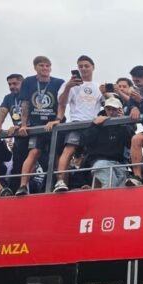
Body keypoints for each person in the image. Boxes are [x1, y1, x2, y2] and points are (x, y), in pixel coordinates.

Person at [51, 55, 104, 192]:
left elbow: (109, 105)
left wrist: (107, 93)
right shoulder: (70, 85)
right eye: (80, 66)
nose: (83, 68)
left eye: (86, 66)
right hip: (76, 122)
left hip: (94, 124)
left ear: (93, 67)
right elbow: (62, 102)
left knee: (95, 154)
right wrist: (69, 86)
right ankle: (61, 182)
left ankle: (94, 184)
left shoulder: (98, 86)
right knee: (68, 150)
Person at [15, 56, 65, 195]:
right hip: (36, 125)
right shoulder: (28, 81)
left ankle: (59, 181)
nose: (45, 68)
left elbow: (62, 103)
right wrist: (23, 124)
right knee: (34, 152)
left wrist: (57, 120)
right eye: (42, 65)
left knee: (56, 153)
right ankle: (23, 186)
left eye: (47, 66)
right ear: (35, 67)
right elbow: (25, 104)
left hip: (54, 124)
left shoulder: (59, 82)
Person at [82, 97, 135, 188]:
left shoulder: (123, 125)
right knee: (111, 186)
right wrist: (94, 125)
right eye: (108, 109)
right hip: (100, 161)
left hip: (119, 163)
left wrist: (124, 122)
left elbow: (130, 143)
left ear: (120, 110)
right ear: (105, 109)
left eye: (114, 109)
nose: (111, 112)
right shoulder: (97, 122)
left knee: (121, 190)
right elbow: (84, 141)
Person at [0, 74, 24, 190]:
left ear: (23, 83)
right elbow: (2, 111)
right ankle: (15, 191)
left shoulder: (29, 94)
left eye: (15, 83)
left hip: (32, 132)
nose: (11, 86)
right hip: (20, 137)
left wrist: (20, 125)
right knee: (17, 165)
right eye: (9, 84)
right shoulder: (8, 98)